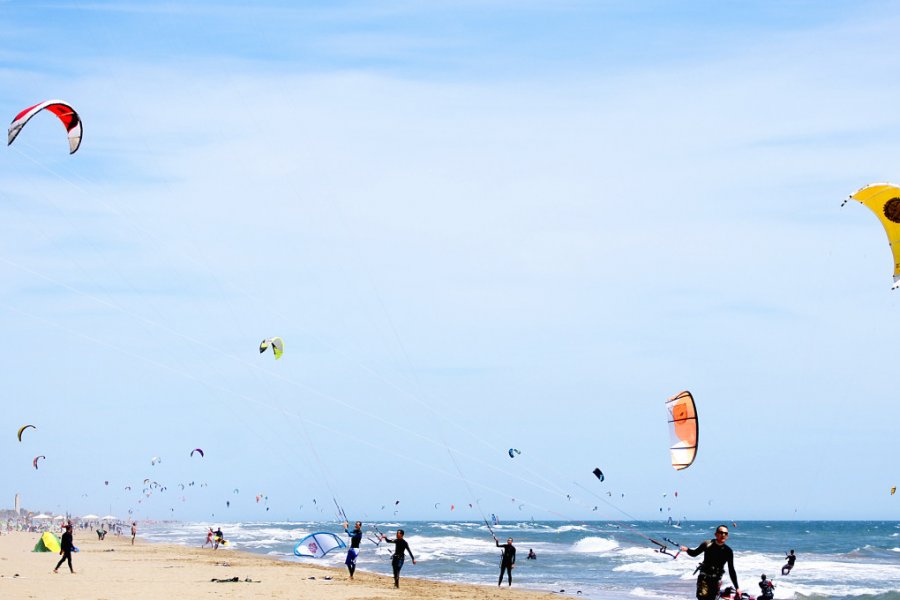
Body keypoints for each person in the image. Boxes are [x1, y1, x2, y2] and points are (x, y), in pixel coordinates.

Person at [680, 525, 740, 600]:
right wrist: (687, 549)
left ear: (727, 536)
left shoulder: (728, 551)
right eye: (721, 532)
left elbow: (731, 570)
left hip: (716, 580)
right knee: (702, 597)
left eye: (725, 533)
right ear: (716, 534)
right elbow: (694, 553)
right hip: (704, 578)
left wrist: (737, 588)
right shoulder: (707, 544)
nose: (723, 535)